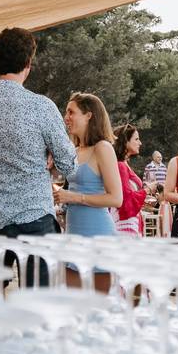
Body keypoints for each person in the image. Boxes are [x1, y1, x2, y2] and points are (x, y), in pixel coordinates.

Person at [0, 28, 76, 287]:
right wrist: (50, 152)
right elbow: (69, 165)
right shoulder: (41, 106)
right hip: (34, 219)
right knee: (36, 303)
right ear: (28, 63)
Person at [53, 94, 121, 290]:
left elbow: (116, 198)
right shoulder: (74, 151)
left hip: (97, 235)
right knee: (73, 307)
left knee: (99, 308)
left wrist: (75, 197)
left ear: (89, 115)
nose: (66, 117)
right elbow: (70, 189)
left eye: (71, 112)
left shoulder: (103, 148)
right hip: (73, 233)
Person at [111, 123, 147, 237]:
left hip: (130, 221)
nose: (140, 143)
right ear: (126, 141)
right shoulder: (121, 166)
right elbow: (125, 200)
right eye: (136, 139)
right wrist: (147, 190)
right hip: (125, 225)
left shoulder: (124, 165)